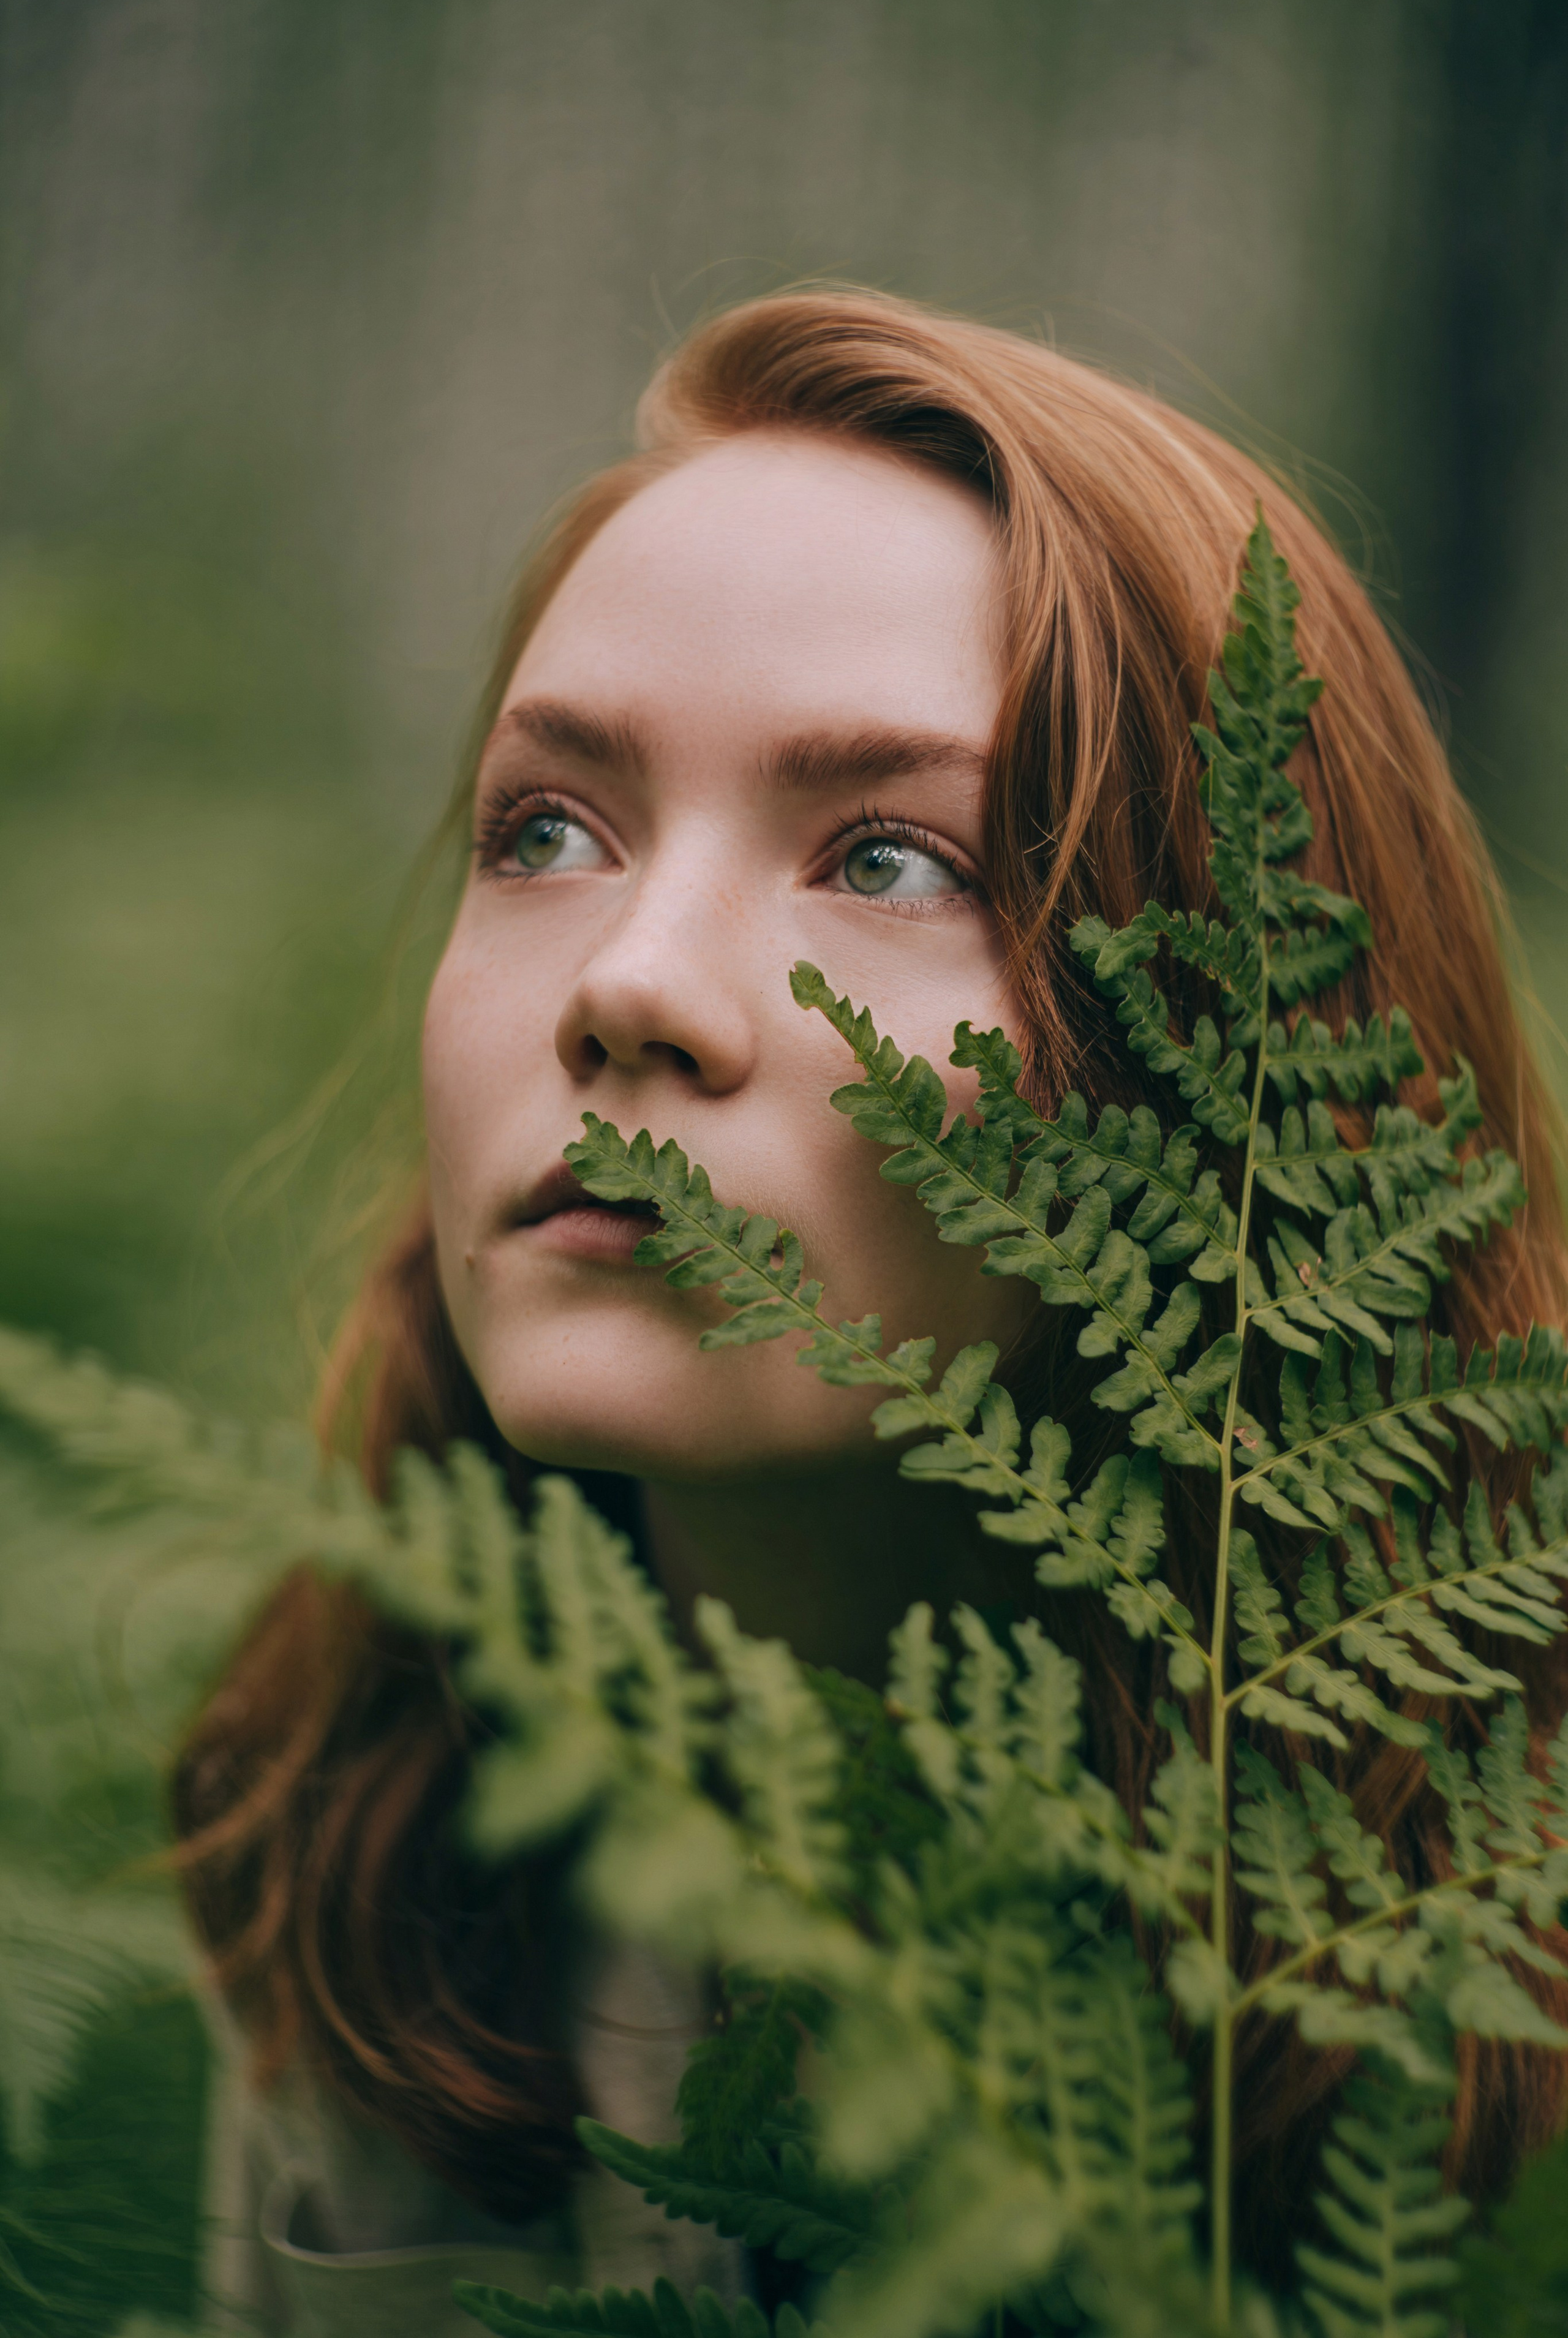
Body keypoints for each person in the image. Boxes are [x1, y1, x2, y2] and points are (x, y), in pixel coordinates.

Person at [174, 288, 1568, 2331]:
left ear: (1246, 1055)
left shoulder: (1481, 1982)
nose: (627, 982)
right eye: (546, 830)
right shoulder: (363, 1866)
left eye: (894, 859)